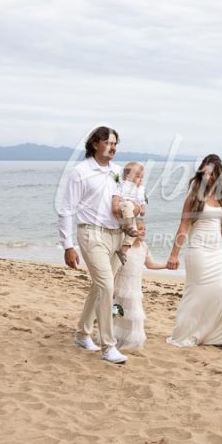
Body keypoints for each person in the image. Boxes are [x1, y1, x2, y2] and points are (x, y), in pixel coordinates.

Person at [166, 154, 222, 352]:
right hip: (198, 252)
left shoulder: (221, 196)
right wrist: (173, 255)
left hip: (217, 253)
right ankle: (188, 333)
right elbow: (183, 228)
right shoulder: (193, 198)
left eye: (212, 174)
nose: (208, 177)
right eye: (205, 173)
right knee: (197, 294)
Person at [58, 126, 129, 364]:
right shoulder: (80, 172)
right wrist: (68, 246)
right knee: (107, 286)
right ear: (95, 143)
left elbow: (122, 202)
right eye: (109, 143)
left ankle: (82, 333)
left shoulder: (117, 171)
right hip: (91, 235)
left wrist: (132, 219)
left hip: (116, 235)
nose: (113, 147)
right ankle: (108, 346)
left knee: (99, 287)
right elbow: (67, 209)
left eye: (116, 144)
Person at [113, 218, 169, 350]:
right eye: (139, 229)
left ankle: (131, 340)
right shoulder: (125, 247)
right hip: (121, 285)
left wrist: (166, 265)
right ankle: (116, 337)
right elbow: (115, 268)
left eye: (144, 229)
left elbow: (150, 264)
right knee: (118, 312)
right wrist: (112, 287)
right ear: (131, 230)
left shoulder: (144, 247)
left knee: (134, 313)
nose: (143, 232)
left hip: (134, 287)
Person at [111, 161, 146, 265]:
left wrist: (143, 208)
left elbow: (141, 201)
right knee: (128, 205)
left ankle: (123, 251)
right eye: (138, 177)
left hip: (131, 212)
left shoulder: (140, 189)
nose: (140, 180)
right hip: (123, 206)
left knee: (134, 234)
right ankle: (129, 226)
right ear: (128, 176)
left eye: (141, 177)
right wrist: (115, 205)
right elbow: (116, 196)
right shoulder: (122, 184)